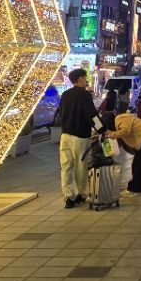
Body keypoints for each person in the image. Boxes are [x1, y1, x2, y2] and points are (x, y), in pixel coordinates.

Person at [57, 68, 103, 208]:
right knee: (80, 167)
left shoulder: (65, 95)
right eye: (85, 77)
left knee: (66, 167)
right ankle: (82, 194)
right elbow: (92, 116)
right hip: (80, 137)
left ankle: (69, 197)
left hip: (65, 136)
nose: (86, 80)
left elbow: (61, 114)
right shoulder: (85, 96)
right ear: (80, 79)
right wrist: (102, 130)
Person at [106, 102, 141, 196]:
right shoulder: (120, 121)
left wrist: (111, 134)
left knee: (140, 165)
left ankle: (134, 189)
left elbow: (125, 132)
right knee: (138, 164)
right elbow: (121, 141)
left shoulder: (119, 119)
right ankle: (135, 188)